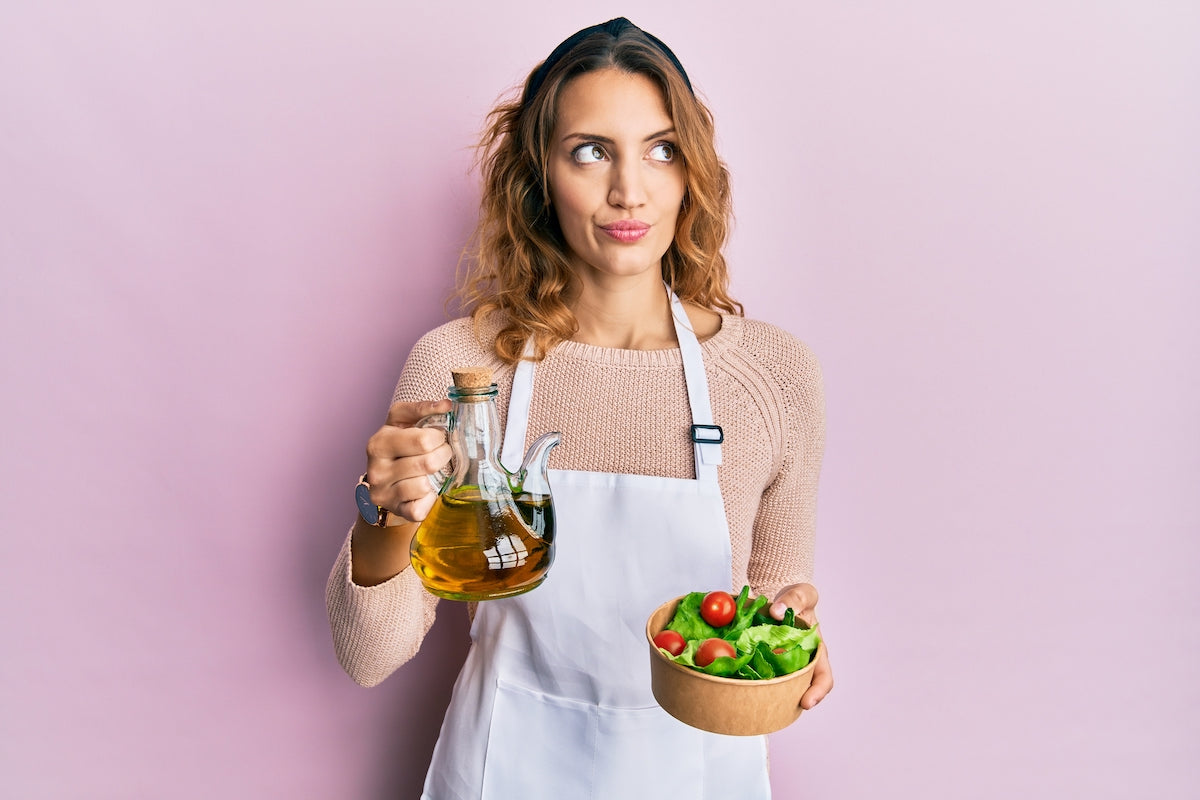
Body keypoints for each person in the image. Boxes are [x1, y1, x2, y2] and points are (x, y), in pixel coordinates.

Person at [326, 17, 833, 799]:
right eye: (590, 151)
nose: (629, 190)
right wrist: (380, 518)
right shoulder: (464, 370)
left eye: (661, 149)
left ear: (692, 172)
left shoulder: (772, 375)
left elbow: (769, 601)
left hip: (695, 776)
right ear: (539, 175)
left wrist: (788, 643)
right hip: (505, 769)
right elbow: (368, 657)